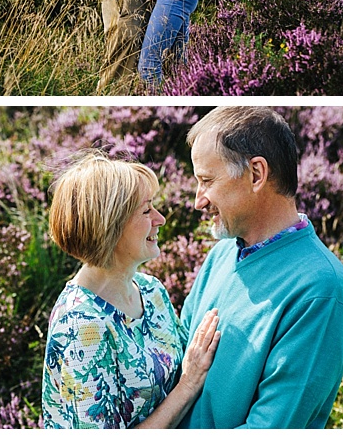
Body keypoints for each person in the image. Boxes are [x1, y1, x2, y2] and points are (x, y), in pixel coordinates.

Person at [178, 107, 343, 428]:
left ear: (257, 174)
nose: (198, 200)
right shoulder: (220, 255)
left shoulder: (321, 292)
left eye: (206, 180)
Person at [41, 154, 221, 428]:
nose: (160, 219)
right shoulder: (81, 326)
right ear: (109, 225)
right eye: (146, 210)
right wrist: (188, 384)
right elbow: (189, 378)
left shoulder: (151, 291)